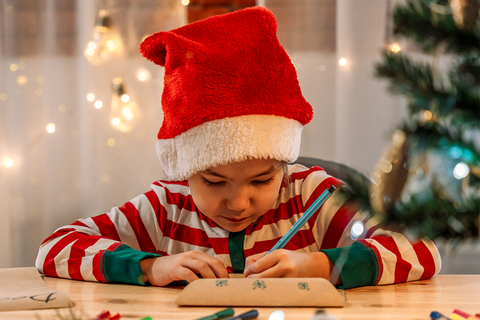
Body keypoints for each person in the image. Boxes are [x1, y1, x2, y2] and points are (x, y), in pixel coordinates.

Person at [35, 6, 441, 289]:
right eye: (213, 182)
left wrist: (320, 265)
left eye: (262, 179)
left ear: (283, 164)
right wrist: (149, 266)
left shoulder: (312, 196)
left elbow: (423, 250)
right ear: (187, 168)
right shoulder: (165, 207)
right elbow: (54, 248)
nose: (238, 202)